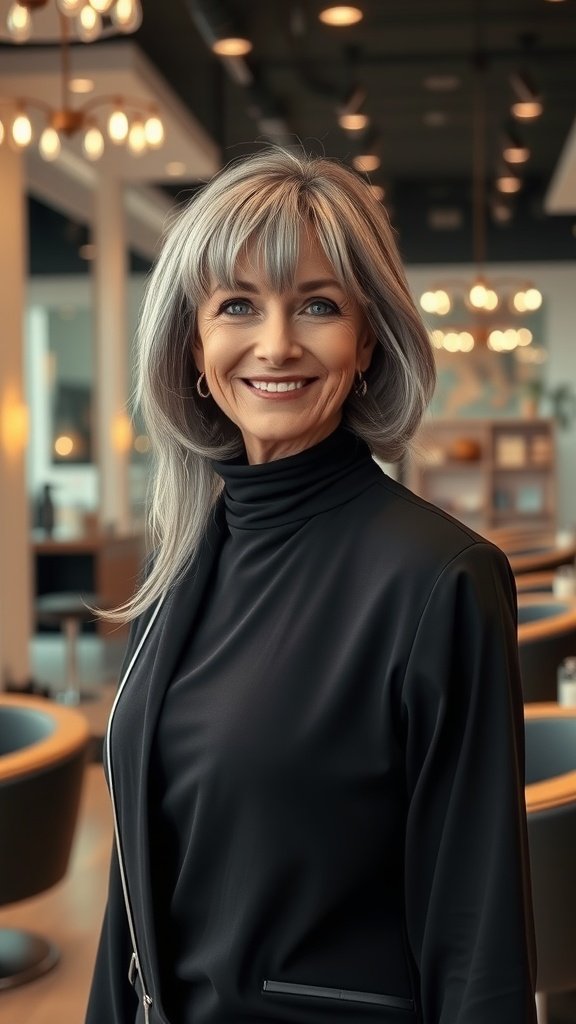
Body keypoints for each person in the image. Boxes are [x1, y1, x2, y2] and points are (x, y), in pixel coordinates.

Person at [86, 149, 537, 1024]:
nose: (277, 343)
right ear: (194, 341)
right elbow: (135, 886)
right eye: (238, 306)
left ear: (368, 339)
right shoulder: (177, 564)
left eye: (319, 305)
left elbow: (477, 933)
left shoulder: (439, 580)